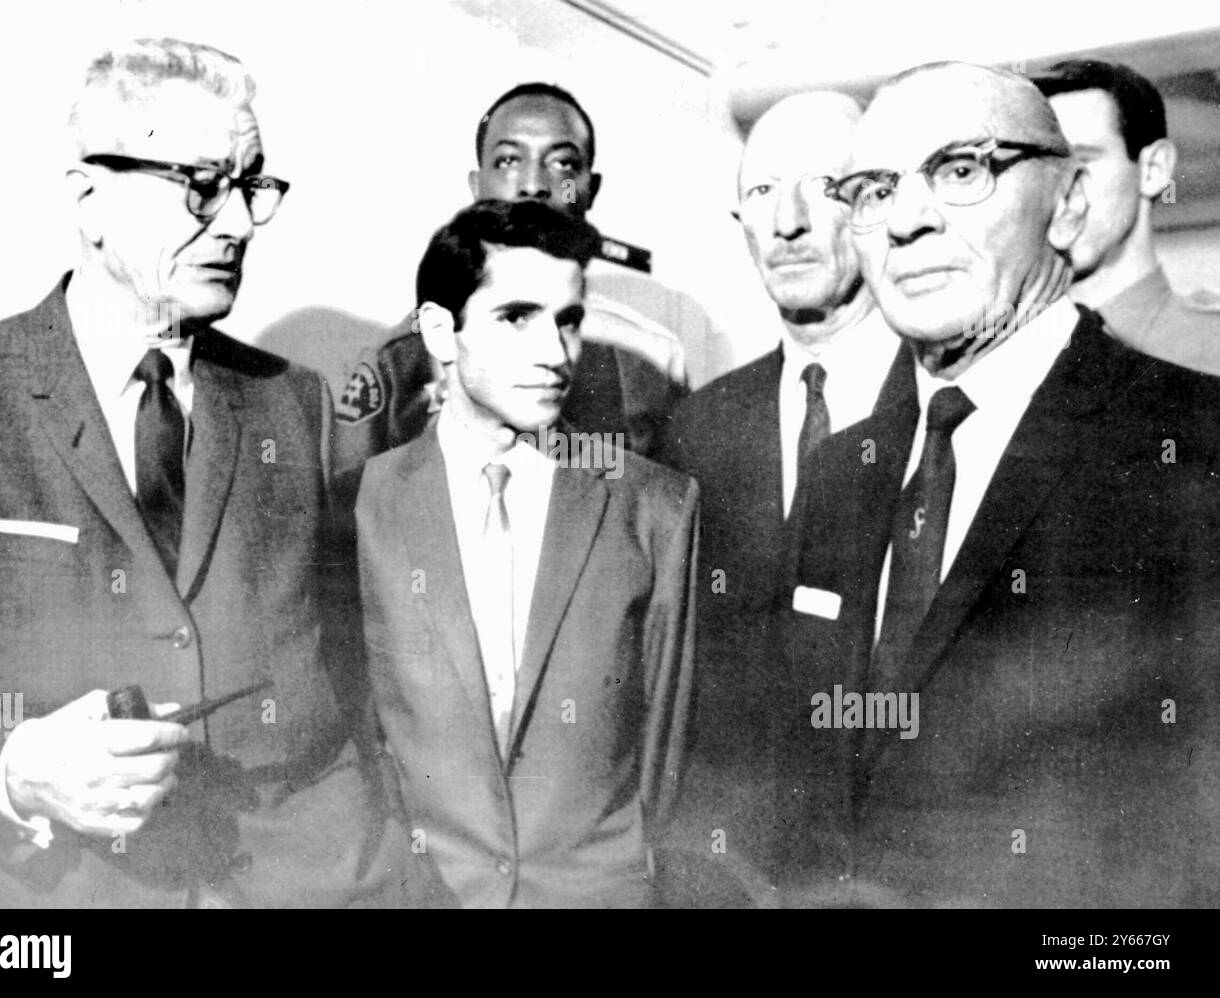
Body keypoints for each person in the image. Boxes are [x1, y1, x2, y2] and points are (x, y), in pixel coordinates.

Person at [0, 37, 412, 908]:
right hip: (66, 900)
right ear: (88, 197)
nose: (234, 224)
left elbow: (350, 667)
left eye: (250, 187)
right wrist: (17, 768)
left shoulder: (293, 403)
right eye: (200, 185)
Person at [783, 61, 1220, 907]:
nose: (906, 220)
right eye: (873, 189)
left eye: (960, 170)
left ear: (1066, 206)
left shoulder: (1195, 444)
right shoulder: (839, 470)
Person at [350, 199, 699, 907]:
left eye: (567, 320)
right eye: (516, 317)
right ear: (440, 331)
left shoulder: (654, 507)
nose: (556, 353)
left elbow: (665, 755)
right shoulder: (361, 506)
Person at [652, 93, 902, 897]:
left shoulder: (948, 413)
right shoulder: (699, 426)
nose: (787, 221)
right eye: (762, 192)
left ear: (876, 205)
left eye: (823, 185)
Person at [266, 82, 727, 471]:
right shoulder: (409, 352)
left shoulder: (652, 355)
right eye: (508, 161)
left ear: (589, 188)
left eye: (563, 164)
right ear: (477, 187)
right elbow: (362, 512)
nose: (533, 184)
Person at [1033, 59, 1220, 374]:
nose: (1057, 192)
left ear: (1153, 170)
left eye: (1081, 162)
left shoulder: (1211, 347)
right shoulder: (1005, 356)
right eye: (1039, 169)